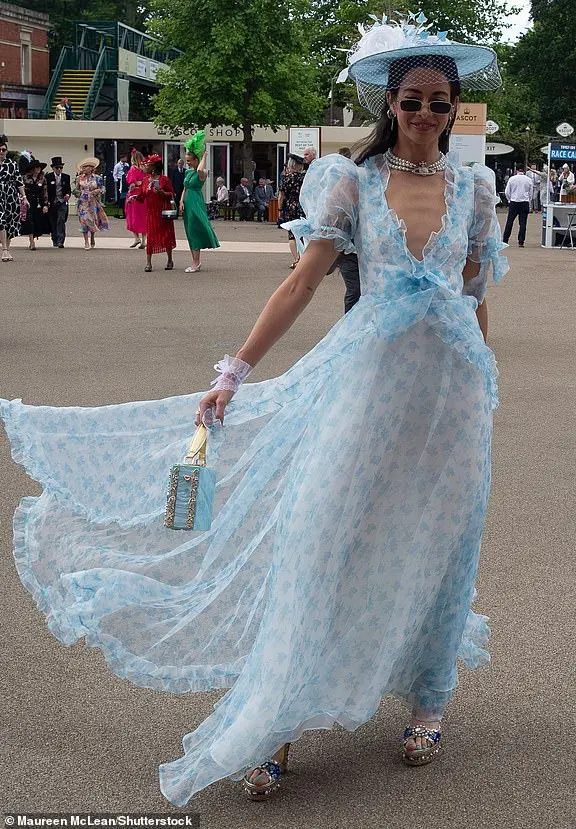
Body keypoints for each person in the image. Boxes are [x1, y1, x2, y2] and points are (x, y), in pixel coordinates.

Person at [0, 13, 508, 807]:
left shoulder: (475, 190)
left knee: (439, 543)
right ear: (389, 103)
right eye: (412, 100)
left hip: (450, 403)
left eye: (441, 102)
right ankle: (272, 721)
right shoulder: (352, 182)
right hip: (365, 387)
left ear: (454, 109)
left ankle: (429, 698)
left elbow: (476, 297)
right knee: (318, 542)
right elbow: (301, 283)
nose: (425, 115)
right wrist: (233, 371)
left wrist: (488, 383)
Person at [129, 154, 176, 272]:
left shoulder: (164, 179)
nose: (145, 167)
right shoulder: (145, 180)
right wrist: (134, 197)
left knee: (166, 235)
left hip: (163, 210)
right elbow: (142, 196)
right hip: (151, 212)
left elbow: (172, 194)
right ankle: (148, 262)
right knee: (150, 236)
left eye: (148, 165)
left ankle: (170, 259)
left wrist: (161, 192)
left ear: (154, 167)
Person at [181, 131, 220, 273]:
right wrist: (181, 201)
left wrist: (204, 157)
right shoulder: (187, 172)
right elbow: (185, 188)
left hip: (196, 203)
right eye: (186, 160)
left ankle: (196, 263)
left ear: (196, 160)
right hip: (187, 203)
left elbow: (199, 169)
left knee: (195, 230)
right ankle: (195, 261)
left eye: (189, 160)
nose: (187, 162)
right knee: (190, 231)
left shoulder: (201, 173)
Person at [328, 147, 361, 312]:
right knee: (355, 291)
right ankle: (348, 321)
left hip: (364, 253)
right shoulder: (339, 193)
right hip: (348, 252)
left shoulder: (368, 196)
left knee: (363, 291)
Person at [0, 134, 28, 261]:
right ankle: (4, 250)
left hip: (10, 195)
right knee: (1, 221)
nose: (1, 152)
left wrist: (24, 197)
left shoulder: (11, 163)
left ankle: (7, 249)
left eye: (3, 150)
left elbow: (19, 181)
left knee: (10, 221)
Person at [73, 158, 109, 250]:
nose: (84, 169)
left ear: (91, 168)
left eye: (86, 167)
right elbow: (77, 189)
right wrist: (76, 193)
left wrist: (98, 190)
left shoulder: (97, 178)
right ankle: (86, 241)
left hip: (93, 202)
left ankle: (92, 237)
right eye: (83, 167)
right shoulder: (79, 178)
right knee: (84, 220)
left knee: (92, 221)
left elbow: (103, 189)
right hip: (83, 203)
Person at [278, 154, 305, 268]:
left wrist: (279, 209)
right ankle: (304, 258)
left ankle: (296, 259)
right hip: (302, 206)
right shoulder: (303, 178)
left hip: (290, 206)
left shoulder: (286, 179)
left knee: (292, 234)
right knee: (303, 232)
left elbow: (281, 196)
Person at [19, 154, 49, 250]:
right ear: (32, 169)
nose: (38, 169)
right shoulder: (25, 178)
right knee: (29, 220)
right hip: (27, 201)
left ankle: (34, 238)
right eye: (36, 167)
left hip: (38, 201)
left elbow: (45, 192)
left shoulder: (43, 179)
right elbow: (20, 189)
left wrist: (45, 204)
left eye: (39, 167)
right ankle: (31, 241)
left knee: (37, 221)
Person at [45, 156, 72, 248]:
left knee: (61, 220)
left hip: (62, 202)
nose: (59, 169)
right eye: (57, 168)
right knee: (52, 221)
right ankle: (54, 239)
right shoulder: (48, 177)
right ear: (53, 168)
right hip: (52, 202)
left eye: (61, 167)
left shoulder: (66, 177)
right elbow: (45, 191)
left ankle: (61, 240)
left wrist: (68, 195)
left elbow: (68, 189)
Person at [503, 166, 533, 247]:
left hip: (514, 202)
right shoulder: (528, 180)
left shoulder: (512, 179)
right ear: (524, 171)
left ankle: (505, 239)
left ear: (516, 171)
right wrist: (528, 201)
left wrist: (510, 199)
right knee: (523, 223)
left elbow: (507, 192)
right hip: (524, 202)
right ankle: (521, 241)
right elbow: (531, 193)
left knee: (509, 221)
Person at [125, 150, 147, 249]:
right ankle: (144, 239)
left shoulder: (133, 169)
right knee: (143, 216)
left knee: (132, 216)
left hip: (134, 194)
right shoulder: (145, 169)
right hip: (143, 194)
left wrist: (132, 187)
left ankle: (136, 237)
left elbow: (132, 183)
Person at [113, 153, 130, 220]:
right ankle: (122, 210)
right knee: (122, 197)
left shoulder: (127, 165)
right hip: (120, 181)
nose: (126, 159)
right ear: (121, 158)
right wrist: (117, 180)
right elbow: (115, 174)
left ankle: (127, 212)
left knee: (126, 197)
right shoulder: (117, 165)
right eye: (125, 158)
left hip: (126, 181)